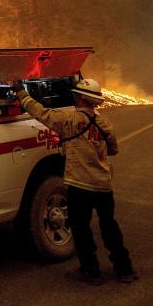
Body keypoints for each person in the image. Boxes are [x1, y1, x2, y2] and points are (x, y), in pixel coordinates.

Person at [12, 78, 137, 285]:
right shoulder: (105, 123)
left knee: (81, 229)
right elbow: (113, 149)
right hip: (103, 185)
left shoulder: (67, 120)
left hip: (79, 185)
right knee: (109, 227)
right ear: (94, 101)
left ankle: (91, 271)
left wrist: (21, 93)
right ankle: (125, 270)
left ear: (79, 98)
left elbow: (41, 112)